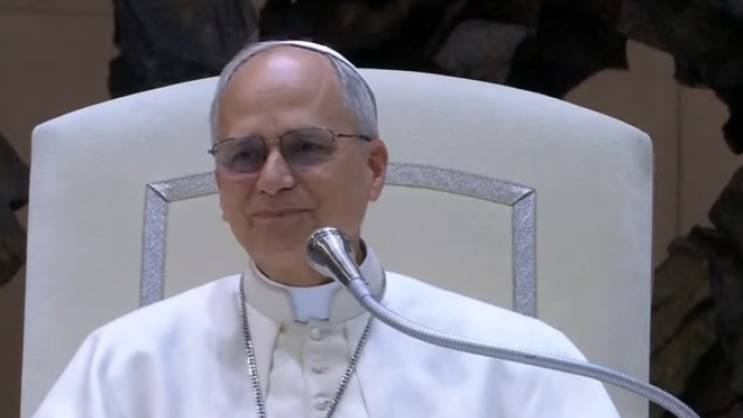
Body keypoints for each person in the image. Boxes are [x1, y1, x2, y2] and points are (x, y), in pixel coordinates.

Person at [33, 40, 620, 418]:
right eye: (244, 155)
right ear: (220, 184)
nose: (272, 179)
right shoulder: (125, 363)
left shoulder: (517, 363)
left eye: (307, 146)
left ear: (374, 168)